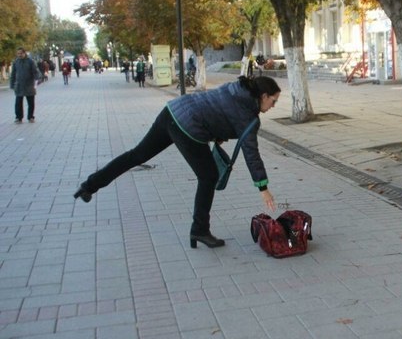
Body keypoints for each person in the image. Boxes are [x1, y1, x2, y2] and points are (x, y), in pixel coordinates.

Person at [73, 76, 281, 249]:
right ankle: (199, 230)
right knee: (208, 176)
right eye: (273, 101)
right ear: (263, 96)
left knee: (137, 155)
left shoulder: (236, 90)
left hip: (172, 111)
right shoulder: (247, 116)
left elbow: (216, 109)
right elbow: (251, 154)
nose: (273, 106)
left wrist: (217, 131)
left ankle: (89, 186)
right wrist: (263, 187)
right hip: (187, 126)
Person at [10, 47, 41, 123]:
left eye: (21, 53)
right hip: (19, 85)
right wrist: (12, 84)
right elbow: (13, 74)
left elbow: (35, 71)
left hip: (29, 85)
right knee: (18, 103)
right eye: (18, 53)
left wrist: (38, 78)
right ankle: (18, 117)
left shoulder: (30, 61)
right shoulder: (16, 62)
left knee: (30, 102)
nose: (19, 55)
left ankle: (30, 117)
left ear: (24, 53)